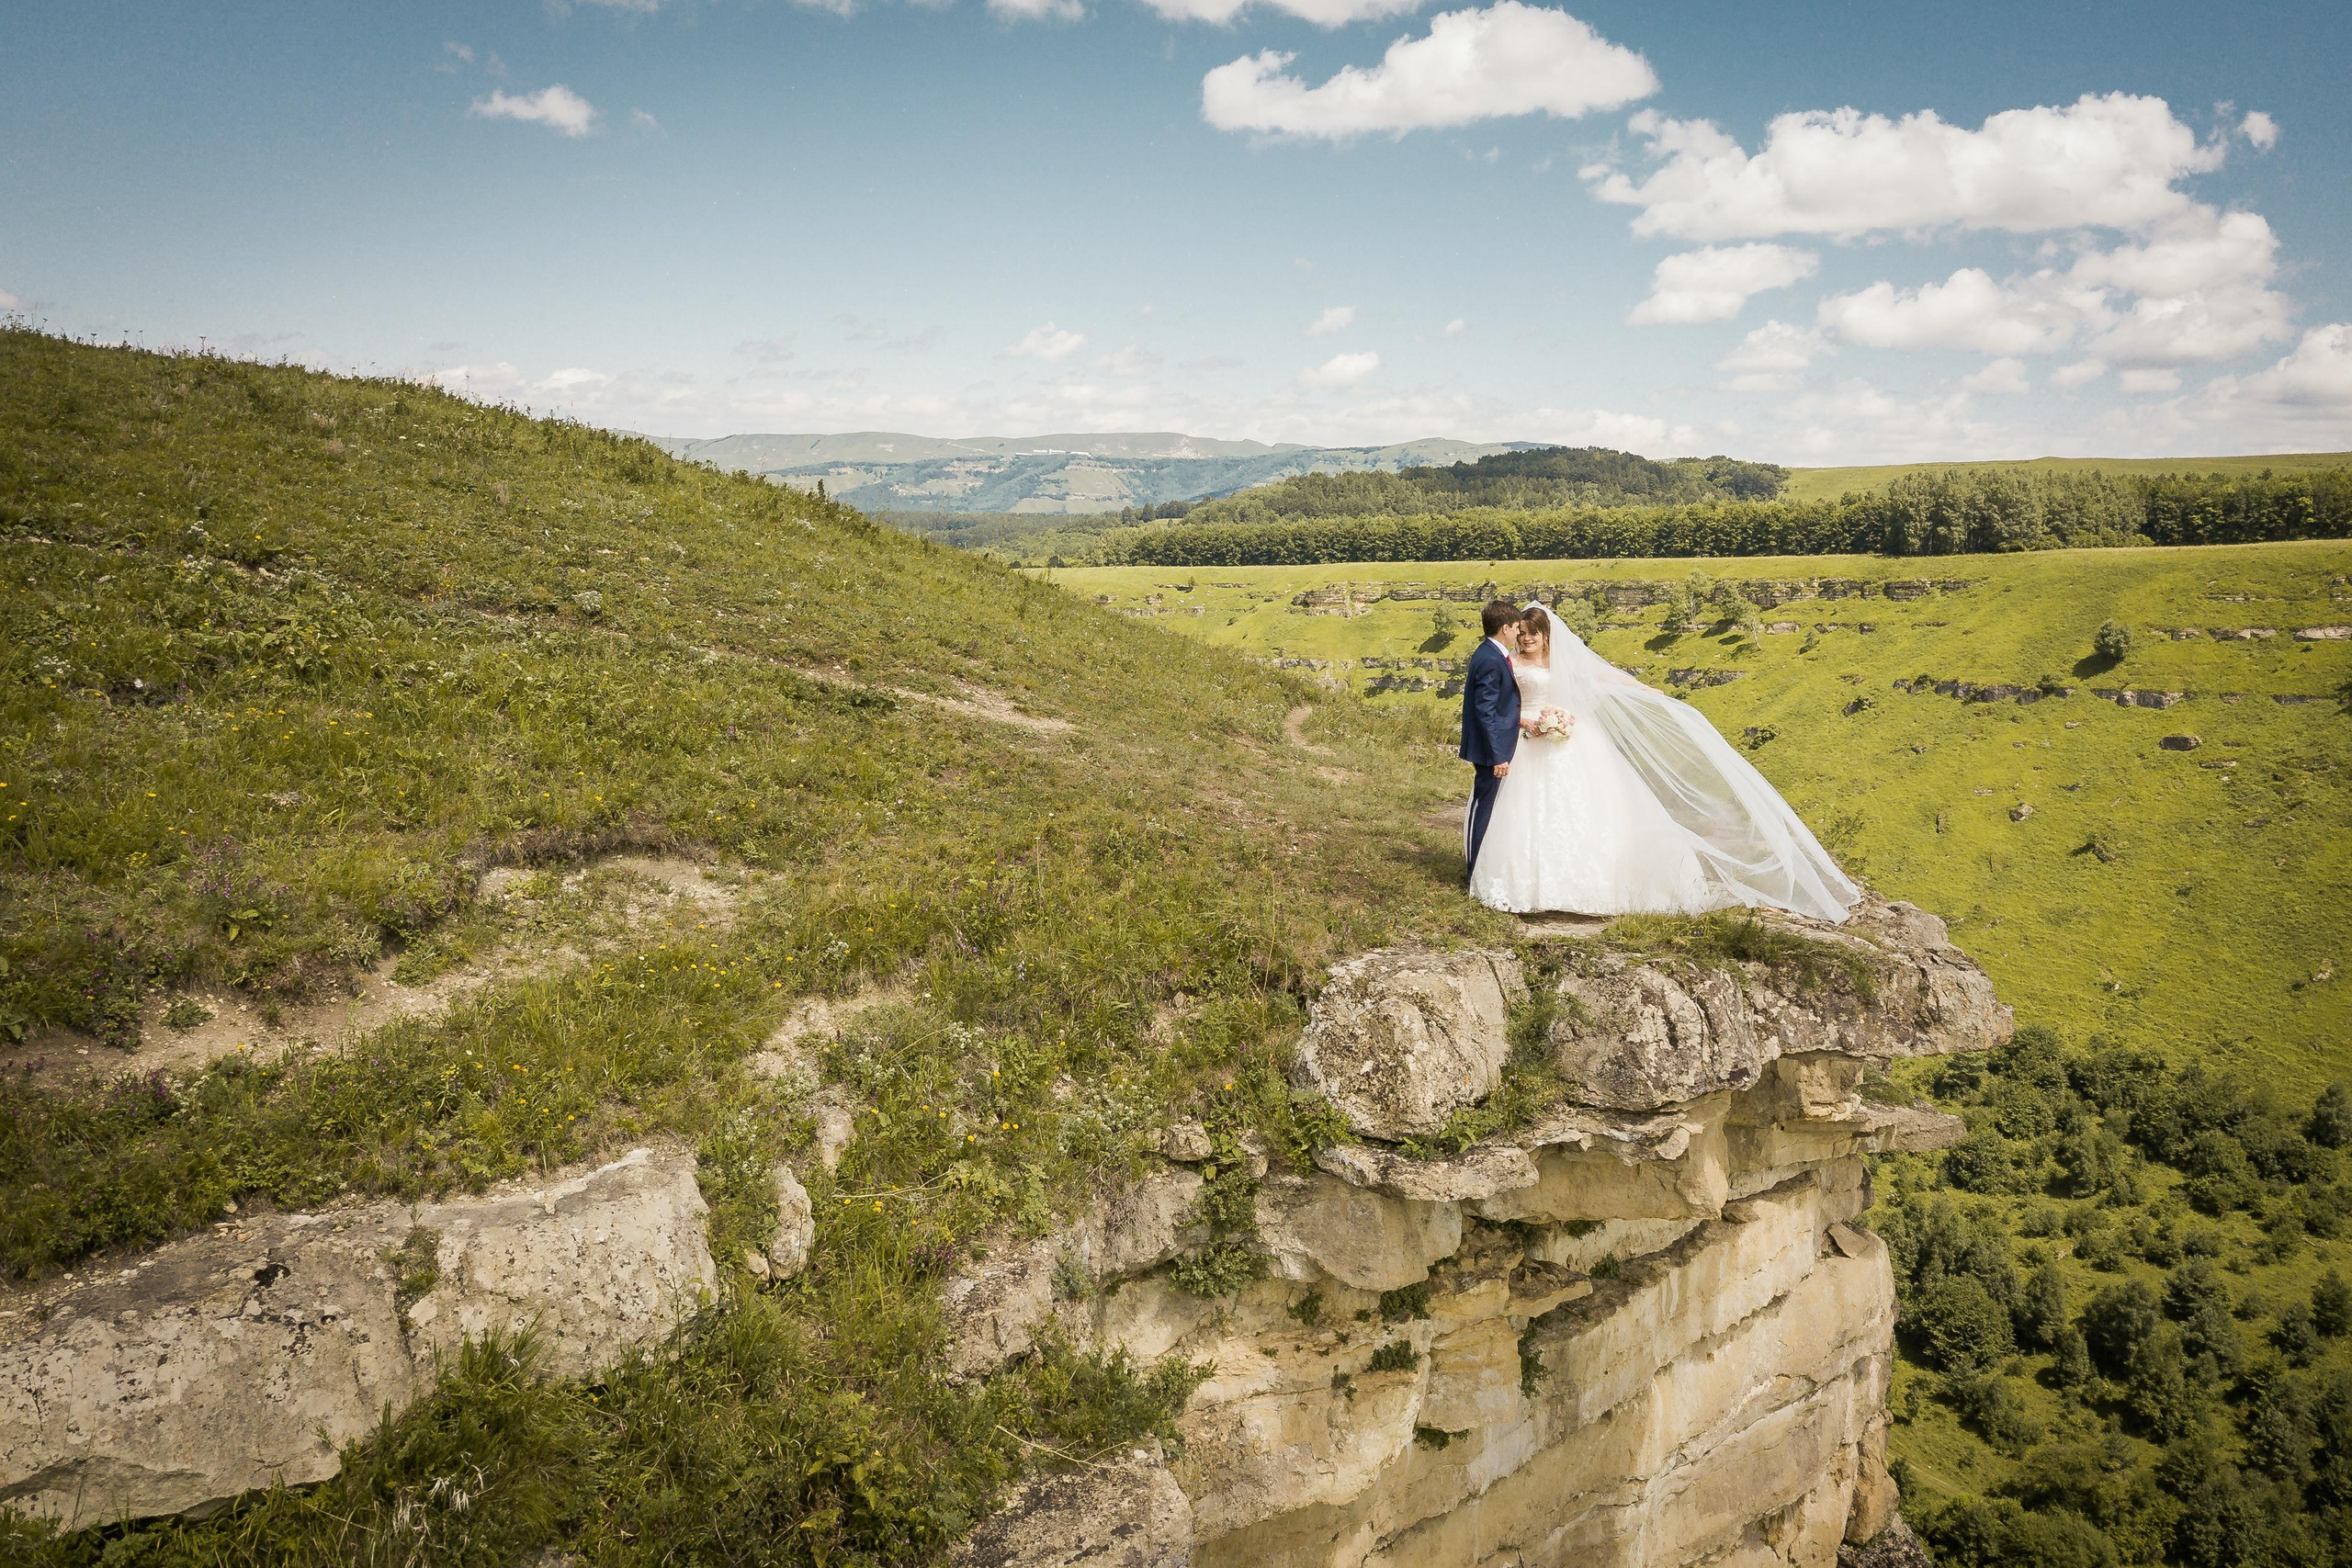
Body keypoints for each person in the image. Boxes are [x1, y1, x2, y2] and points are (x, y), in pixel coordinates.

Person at [1466, 602, 1860, 922]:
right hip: (1527, 742)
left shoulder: (1562, 663)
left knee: (1584, 809)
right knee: (1524, 812)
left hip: (1568, 740)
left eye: (1533, 635)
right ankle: (1525, 885)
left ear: (1546, 636)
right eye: (1522, 634)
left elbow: (1604, 676)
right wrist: (1528, 722)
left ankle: (1587, 885)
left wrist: (1646, 690)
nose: (1526, 641)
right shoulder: (1509, 663)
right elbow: (1500, 704)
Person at [1458, 600, 1524, 879]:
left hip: (1495, 745)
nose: (1519, 634)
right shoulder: (1490, 659)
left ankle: (1481, 865)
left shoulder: (1490, 653)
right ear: (1505, 628)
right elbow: (1485, 711)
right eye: (1517, 628)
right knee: (1482, 807)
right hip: (1490, 750)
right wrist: (1498, 756)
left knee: (1488, 805)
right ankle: (1473, 870)